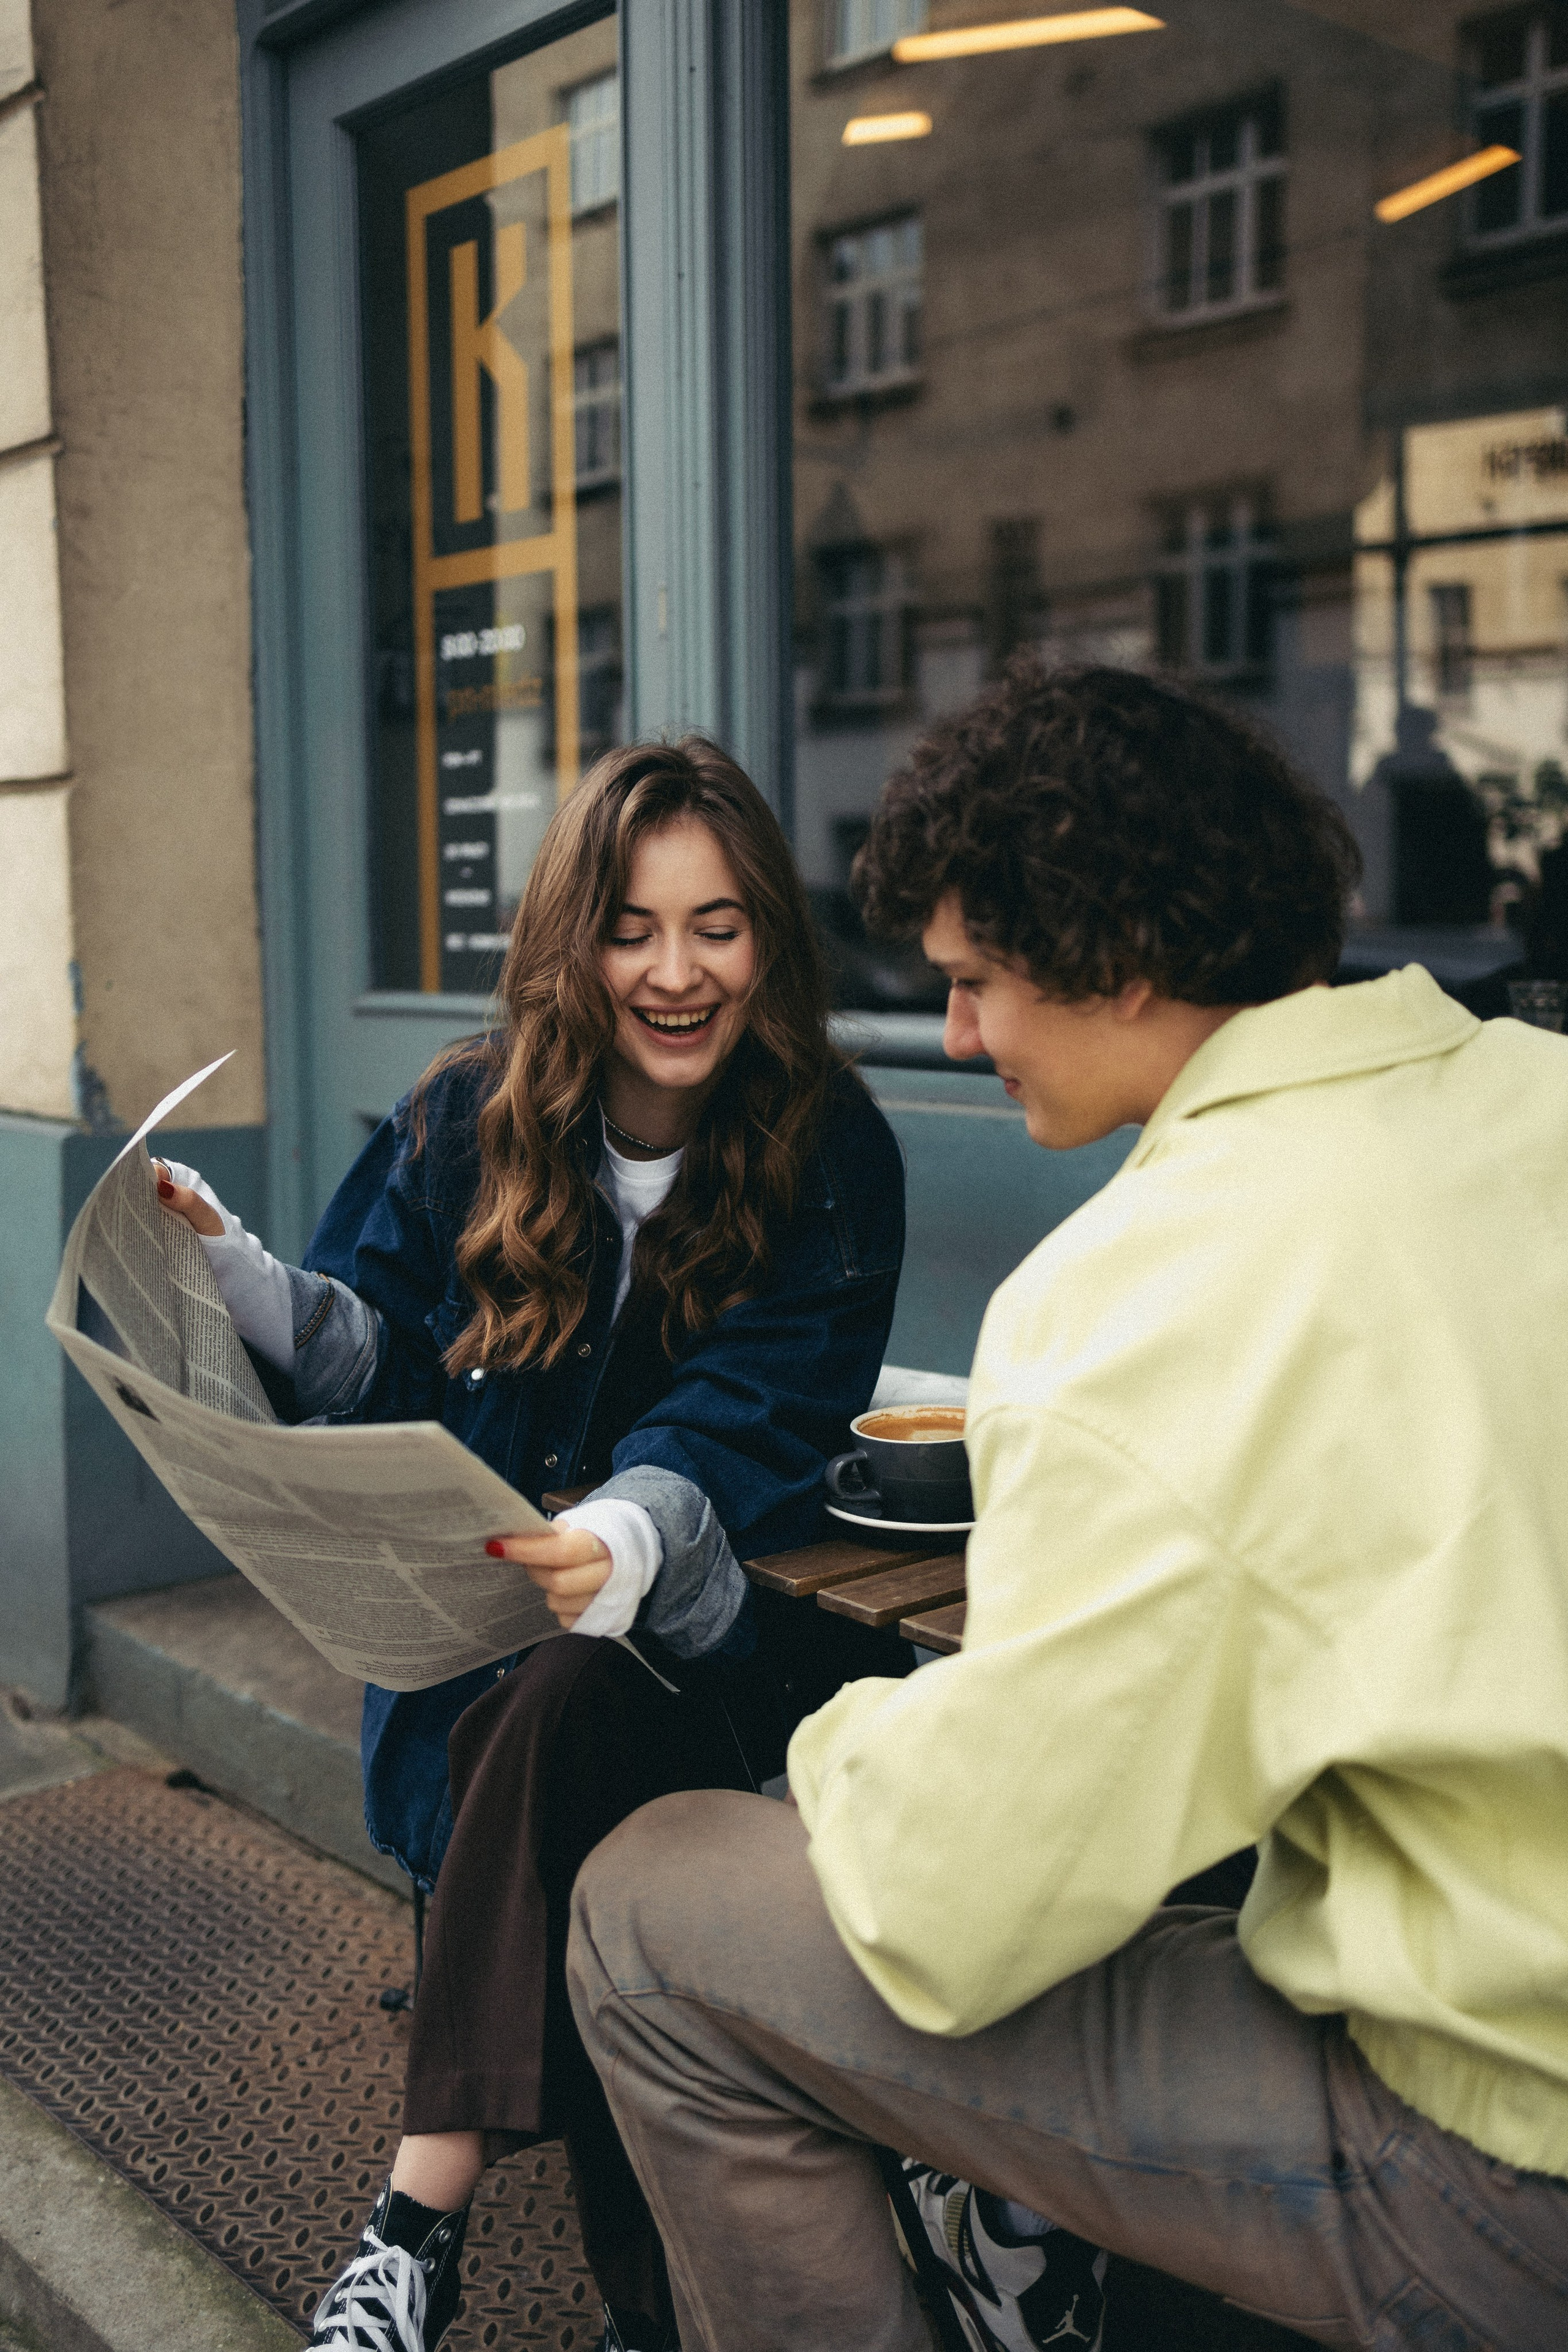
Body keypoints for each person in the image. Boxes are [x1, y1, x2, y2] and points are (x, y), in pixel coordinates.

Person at [562, 665, 1568, 2352]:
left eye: (972, 984)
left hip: (1491, 2167)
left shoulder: (1132, 1294)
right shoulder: (1536, 1097)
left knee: (654, 1907)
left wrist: (827, 1753)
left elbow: (956, 1915)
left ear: (1114, 958)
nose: (955, 1036)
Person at [156, 738, 906, 2352]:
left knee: (578, 1693)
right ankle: (647, 2308)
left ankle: (413, 2223)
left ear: (770, 935)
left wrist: (626, 1534)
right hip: (481, 1682)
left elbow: (758, 1407)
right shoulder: (464, 1117)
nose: (677, 971)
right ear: (578, 942)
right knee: (554, 1725)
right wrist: (244, 1284)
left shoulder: (828, 1144)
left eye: (718, 926)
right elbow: (392, 1365)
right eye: (633, 928)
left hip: (725, 1663)